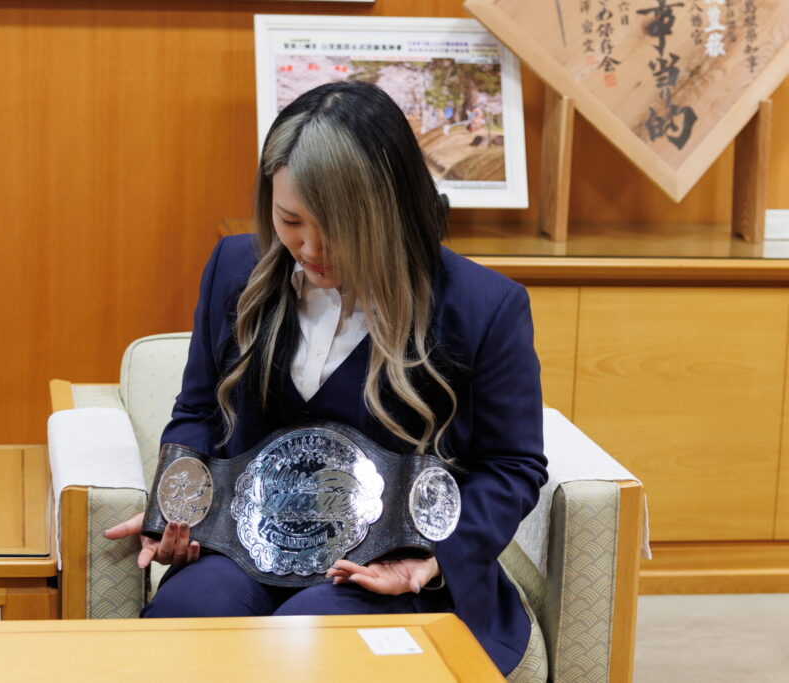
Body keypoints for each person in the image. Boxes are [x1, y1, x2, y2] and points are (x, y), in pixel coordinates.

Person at [104, 81, 547, 677]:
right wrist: (177, 509)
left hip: (391, 569)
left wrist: (434, 558)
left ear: (390, 210)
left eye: (337, 228)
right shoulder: (234, 269)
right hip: (246, 552)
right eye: (290, 220)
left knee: (308, 640)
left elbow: (512, 466)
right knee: (187, 615)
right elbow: (199, 413)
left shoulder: (482, 307)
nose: (310, 248)